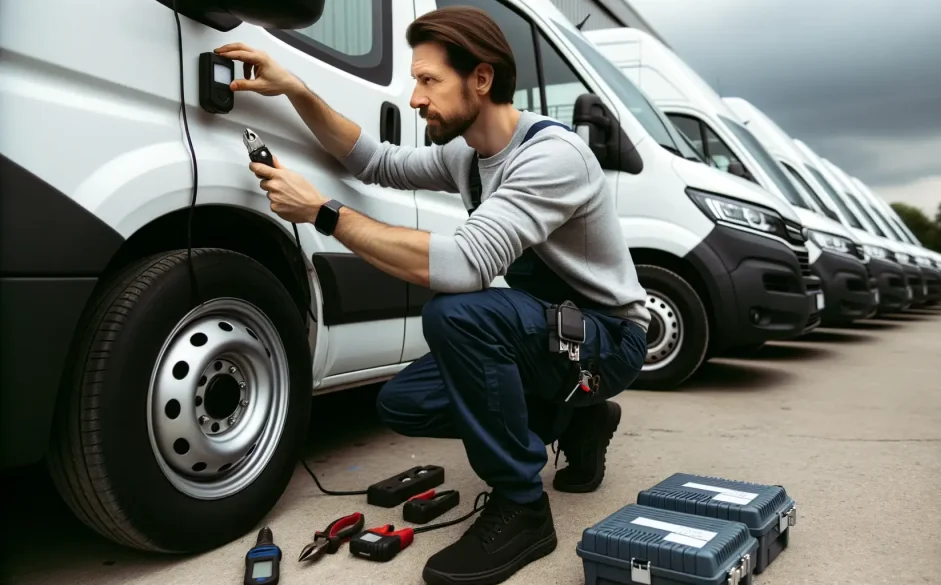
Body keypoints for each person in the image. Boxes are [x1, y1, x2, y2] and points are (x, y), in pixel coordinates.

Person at [215, 6, 649, 583]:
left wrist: (322, 212)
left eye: (428, 81)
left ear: (482, 78)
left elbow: (465, 264)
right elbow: (376, 161)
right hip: (557, 335)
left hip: (608, 339)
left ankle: (522, 506)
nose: (415, 99)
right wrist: (296, 89)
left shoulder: (552, 157)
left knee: (459, 314)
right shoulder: (468, 155)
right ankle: (576, 421)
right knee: (404, 402)